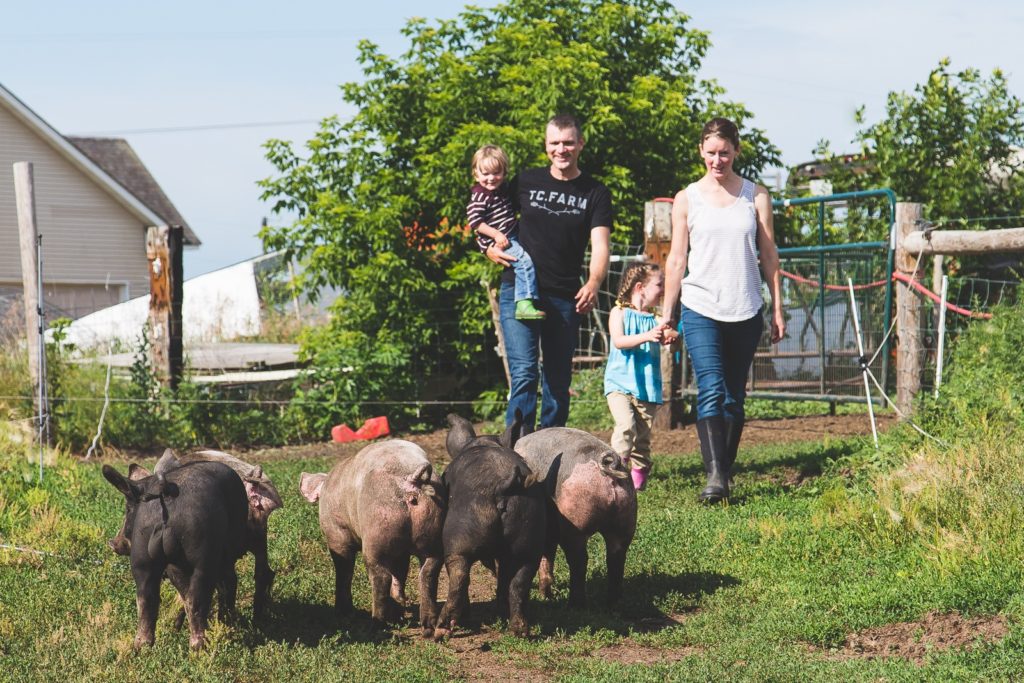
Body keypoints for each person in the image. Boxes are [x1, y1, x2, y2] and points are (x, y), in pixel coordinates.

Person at [661, 117, 786, 504]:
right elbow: (677, 257)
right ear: (701, 151)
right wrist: (668, 313)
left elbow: (769, 254)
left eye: (725, 153)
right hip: (701, 306)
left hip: (746, 307)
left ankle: (723, 471)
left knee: (734, 396)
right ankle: (715, 477)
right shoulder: (687, 198)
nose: (718, 161)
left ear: (736, 151)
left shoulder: (756, 196)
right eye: (711, 153)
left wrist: (778, 307)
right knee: (711, 389)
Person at [485, 114, 612, 430]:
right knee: (525, 372)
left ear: (580, 144)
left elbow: (600, 246)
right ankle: (516, 448)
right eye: (555, 143)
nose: (562, 149)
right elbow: (488, 213)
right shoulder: (526, 181)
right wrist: (487, 248)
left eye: (568, 142)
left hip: (565, 295)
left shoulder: (595, 192)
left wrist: (594, 282)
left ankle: (549, 446)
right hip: (519, 289)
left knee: (557, 379)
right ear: (546, 146)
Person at [604, 262, 669, 492]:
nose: (663, 289)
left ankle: (638, 484)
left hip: (647, 389)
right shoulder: (618, 312)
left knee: (641, 440)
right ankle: (616, 474)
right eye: (659, 284)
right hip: (619, 384)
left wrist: (673, 337)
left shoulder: (656, 319)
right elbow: (620, 342)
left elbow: (673, 340)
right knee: (626, 425)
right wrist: (648, 335)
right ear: (640, 287)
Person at [467, 145, 545, 320]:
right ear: (476, 174)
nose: (491, 178)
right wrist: (495, 235)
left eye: (496, 173)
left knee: (524, 260)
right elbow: (475, 222)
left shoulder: (502, 190)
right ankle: (524, 302)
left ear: (504, 172)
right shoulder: (481, 195)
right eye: (485, 173)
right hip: (502, 239)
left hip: (509, 235)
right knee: (523, 262)